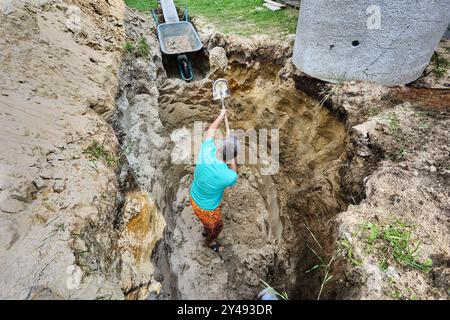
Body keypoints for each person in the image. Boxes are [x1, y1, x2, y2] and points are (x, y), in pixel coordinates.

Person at [190, 109, 240, 252]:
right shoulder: (228, 176)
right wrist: (233, 158)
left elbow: (212, 128)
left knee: (207, 223)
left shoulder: (207, 149)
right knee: (218, 227)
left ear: (219, 146)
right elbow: (234, 173)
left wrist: (221, 115)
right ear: (230, 157)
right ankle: (209, 242)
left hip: (193, 197)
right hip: (207, 209)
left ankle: (206, 228)